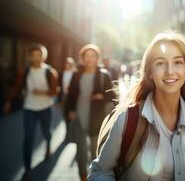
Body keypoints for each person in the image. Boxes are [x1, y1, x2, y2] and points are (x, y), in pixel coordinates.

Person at [88, 31, 185, 181]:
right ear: (150, 72)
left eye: (178, 62)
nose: (170, 71)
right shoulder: (127, 121)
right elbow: (100, 172)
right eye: (161, 63)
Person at [3, 44, 58, 180]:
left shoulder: (50, 72)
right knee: (28, 138)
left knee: (46, 132)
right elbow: (17, 87)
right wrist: (8, 101)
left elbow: (54, 92)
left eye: (38, 55)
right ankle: (27, 169)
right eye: (32, 56)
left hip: (45, 108)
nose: (35, 58)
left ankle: (48, 146)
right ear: (29, 57)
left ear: (43, 56)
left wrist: (42, 92)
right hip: (29, 108)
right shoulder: (24, 71)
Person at [65, 44, 115, 181]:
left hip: (97, 118)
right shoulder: (77, 74)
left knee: (96, 150)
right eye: (86, 56)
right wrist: (70, 110)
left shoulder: (104, 75)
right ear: (82, 58)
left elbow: (112, 97)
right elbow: (71, 95)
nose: (89, 59)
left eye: (93, 56)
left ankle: (94, 176)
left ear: (97, 58)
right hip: (79, 115)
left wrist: (102, 97)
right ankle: (82, 176)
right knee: (81, 150)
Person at [58, 57, 77, 132]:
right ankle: (67, 130)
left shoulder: (75, 73)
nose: (67, 65)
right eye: (66, 63)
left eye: (69, 63)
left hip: (72, 96)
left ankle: (72, 130)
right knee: (64, 113)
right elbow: (59, 85)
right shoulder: (62, 73)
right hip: (64, 96)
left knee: (71, 113)